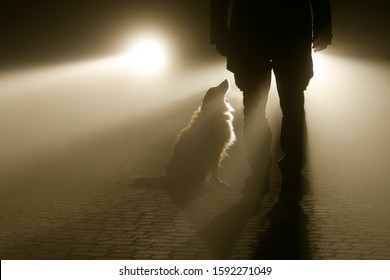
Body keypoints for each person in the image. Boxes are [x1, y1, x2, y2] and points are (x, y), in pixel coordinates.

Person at [210, 0, 332, 202]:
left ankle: (261, 169)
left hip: (251, 34)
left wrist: (220, 33)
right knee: (292, 107)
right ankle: (291, 171)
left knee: (255, 107)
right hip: (291, 32)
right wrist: (323, 27)